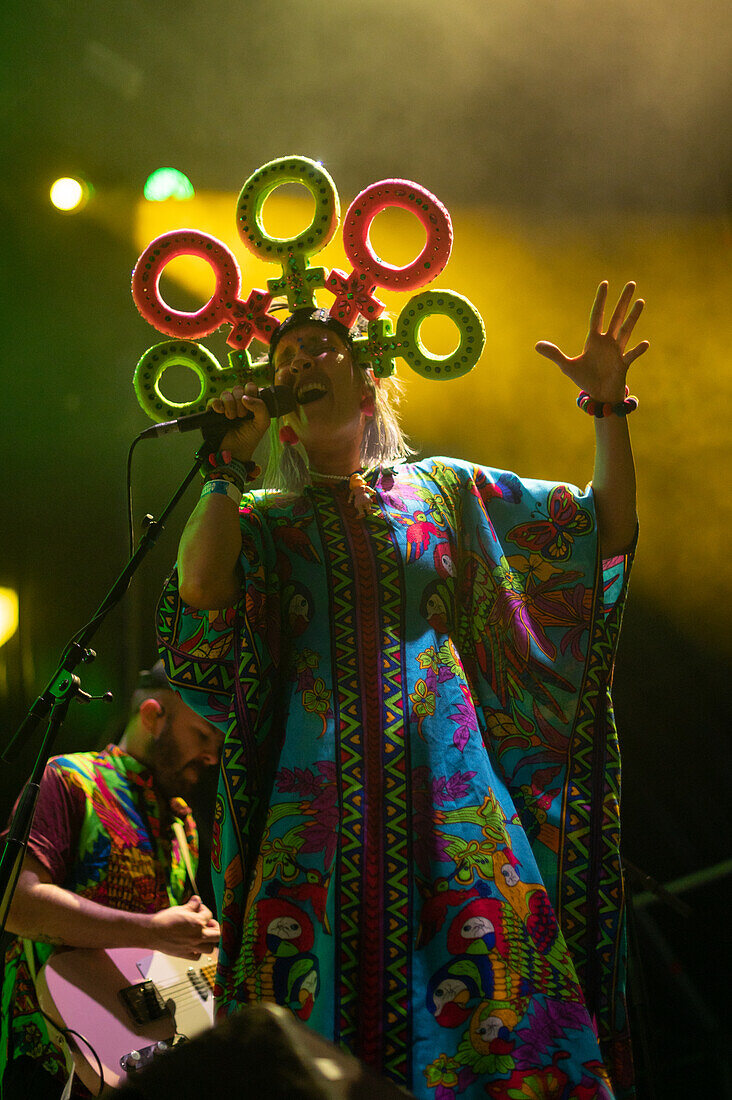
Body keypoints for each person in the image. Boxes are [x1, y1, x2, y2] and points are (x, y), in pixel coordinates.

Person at [156, 281, 647, 1099]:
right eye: (282, 357)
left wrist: (608, 410)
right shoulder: (264, 519)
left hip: (454, 810)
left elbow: (606, 529)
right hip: (314, 825)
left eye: (319, 349)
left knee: (501, 1025)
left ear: (371, 377)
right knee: (303, 1057)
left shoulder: (445, 495)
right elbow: (201, 588)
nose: (299, 362)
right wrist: (223, 464)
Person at [0, 661, 224, 1099]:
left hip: (128, 1062)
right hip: (48, 1061)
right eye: (202, 735)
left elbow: (163, 960)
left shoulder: (183, 823)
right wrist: (154, 930)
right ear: (152, 716)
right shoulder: (69, 778)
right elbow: (14, 904)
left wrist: (193, 938)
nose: (213, 756)